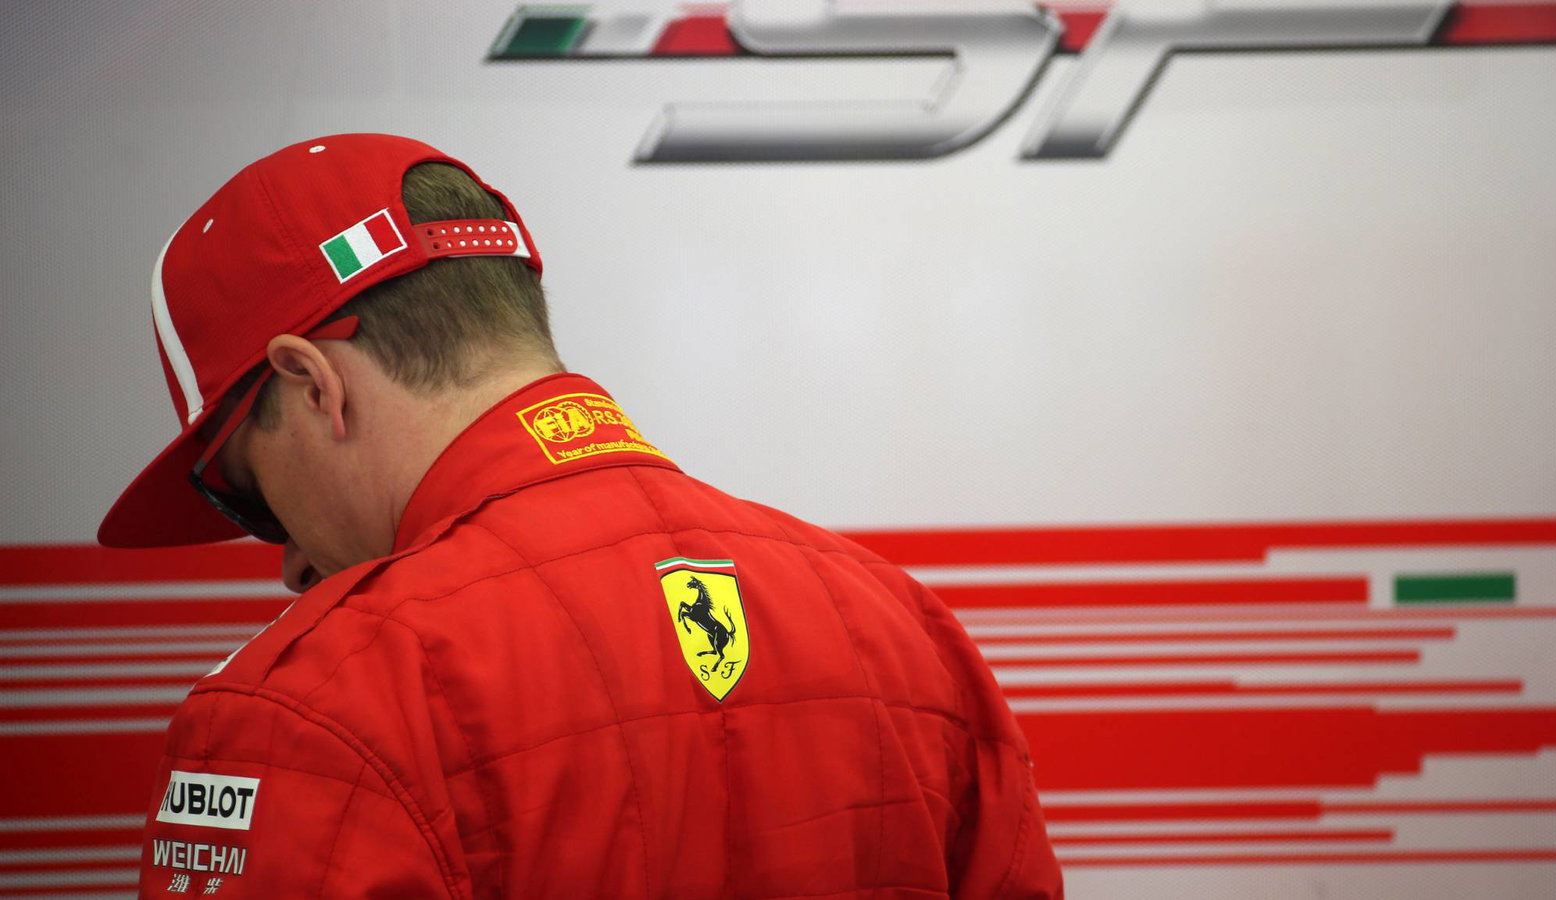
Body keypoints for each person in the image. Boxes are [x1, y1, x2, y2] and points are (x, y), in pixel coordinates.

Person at [99, 133, 1060, 898]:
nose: (289, 565)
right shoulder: (899, 624)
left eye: (248, 495)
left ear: (312, 385)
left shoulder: (313, 704)